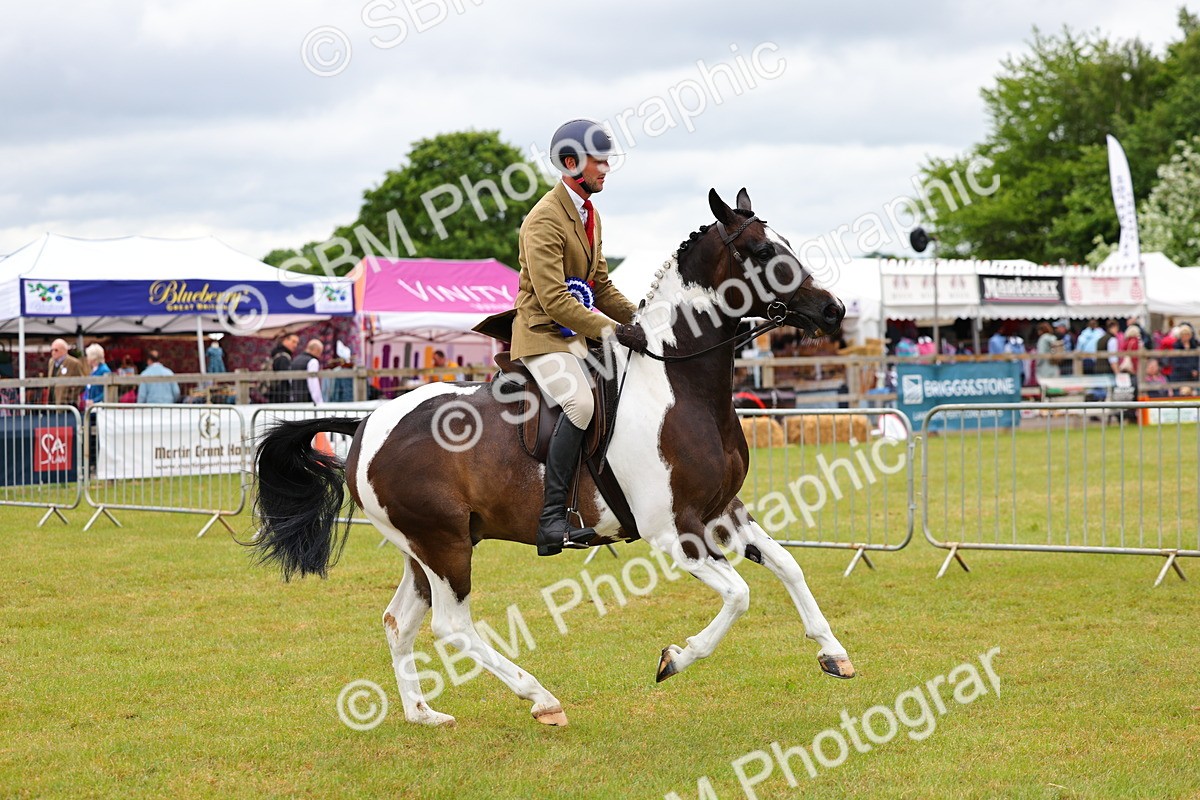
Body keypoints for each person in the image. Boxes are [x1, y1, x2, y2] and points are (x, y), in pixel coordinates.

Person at [512, 119, 644, 556]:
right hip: (541, 335)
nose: (606, 168)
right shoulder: (543, 219)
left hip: (578, 335)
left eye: (607, 160)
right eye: (598, 160)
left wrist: (643, 318)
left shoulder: (590, 214)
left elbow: (600, 285)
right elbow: (552, 300)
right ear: (571, 163)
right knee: (580, 403)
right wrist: (617, 331)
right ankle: (551, 520)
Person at [45, 338, 87, 406]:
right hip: (52, 401)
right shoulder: (51, 362)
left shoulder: (74, 363)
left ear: (64, 350)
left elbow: (82, 383)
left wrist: (71, 396)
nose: (53, 352)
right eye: (52, 350)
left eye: (56, 350)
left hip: (67, 404)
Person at [289, 339, 325, 404]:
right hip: (308, 400)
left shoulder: (295, 360)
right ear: (316, 350)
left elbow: (290, 380)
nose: (319, 355)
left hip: (295, 400)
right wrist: (318, 401)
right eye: (320, 352)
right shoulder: (312, 361)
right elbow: (313, 383)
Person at [269, 333, 299, 402]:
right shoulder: (283, 358)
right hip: (280, 398)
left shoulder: (277, 354)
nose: (295, 345)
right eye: (293, 342)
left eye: (297, 343)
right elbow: (284, 380)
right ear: (285, 340)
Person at [82, 343, 112, 408]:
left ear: (93, 357)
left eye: (87, 356)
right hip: (91, 407)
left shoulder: (104, 370)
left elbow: (108, 391)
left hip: (99, 408)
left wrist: (94, 401)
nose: (86, 358)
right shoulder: (94, 370)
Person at [1170, 322, 1199, 387]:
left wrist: (1197, 370)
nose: (1185, 337)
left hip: (1193, 377)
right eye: (1183, 335)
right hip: (1180, 376)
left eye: (1187, 334)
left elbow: (1197, 360)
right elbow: (1177, 363)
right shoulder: (1176, 347)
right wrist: (1190, 370)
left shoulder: (1194, 346)